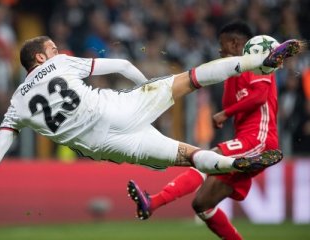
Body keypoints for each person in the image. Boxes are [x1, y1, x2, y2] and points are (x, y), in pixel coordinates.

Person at [0, 34, 300, 233]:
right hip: (121, 108)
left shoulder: (16, 104)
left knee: (187, 156)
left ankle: (230, 162)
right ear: (43, 56)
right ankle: (263, 62)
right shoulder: (60, 63)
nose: (58, 52)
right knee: (190, 79)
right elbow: (120, 65)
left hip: (109, 145)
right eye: (54, 48)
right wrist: (149, 89)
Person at [126, 21, 294, 240]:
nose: (219, 50)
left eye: (222, 44)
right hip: (245, 139)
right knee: (202, 204)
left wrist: (226, 112)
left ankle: (153, 202)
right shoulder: (235, 73)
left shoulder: (259, 64)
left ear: (235, 44)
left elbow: (260, 96)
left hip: (259, 138)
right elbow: (229, 96)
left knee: (207, 158)